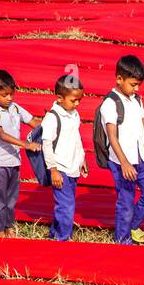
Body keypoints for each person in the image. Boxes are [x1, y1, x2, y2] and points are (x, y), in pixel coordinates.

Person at [98, 54, 144, 244]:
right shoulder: (110, 104)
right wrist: (124, 163)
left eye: (138, 85)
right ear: (119, 79)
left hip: (142, 158)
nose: (136, 88)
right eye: (133, 84)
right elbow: (112, 136)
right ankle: (123, 240)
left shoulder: (136, 100)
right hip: (122, 162)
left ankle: (132, 225)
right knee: (126, 201)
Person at [0, 69, 40, 238]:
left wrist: (52, 124)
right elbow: (1, 134)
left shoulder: (15, 107)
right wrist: (26, 144)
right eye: (4, 95)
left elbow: (33, 122)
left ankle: (9, 226)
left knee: (11, 199)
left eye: (11, 94)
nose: (9, 98)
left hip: (14, 162)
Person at [41, 74, 88, 241]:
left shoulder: (74, 114)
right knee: (67, 205)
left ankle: (54, 232)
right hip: (60, 167)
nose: (77, 104)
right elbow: (46, 145)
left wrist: (82, 159)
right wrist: (53, 170)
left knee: (64, 204)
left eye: (79, 100)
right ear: (60, 98)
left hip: (73, 166)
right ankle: (62, 239)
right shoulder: (52, 118)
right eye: (73, 100)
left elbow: (76, 138)